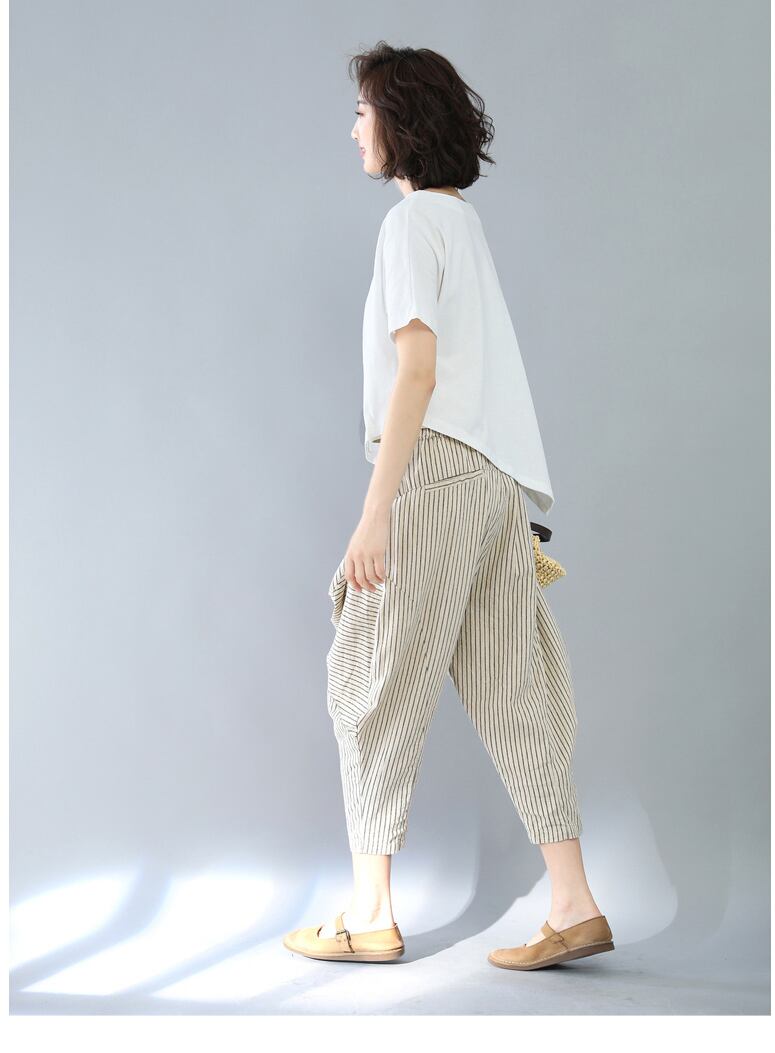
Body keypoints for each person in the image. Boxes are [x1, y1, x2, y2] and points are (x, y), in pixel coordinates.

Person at [283, 42, 614, 970]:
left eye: (362, 112)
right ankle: (573, 901)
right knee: (514, 688)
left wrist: (375, 509)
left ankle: (369, 913)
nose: (353, 130)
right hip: (496, 483)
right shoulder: (459, 223)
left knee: (370, 682)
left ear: (399, 121)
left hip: (431, 473)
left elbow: (417, 373)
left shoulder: (406, 229)